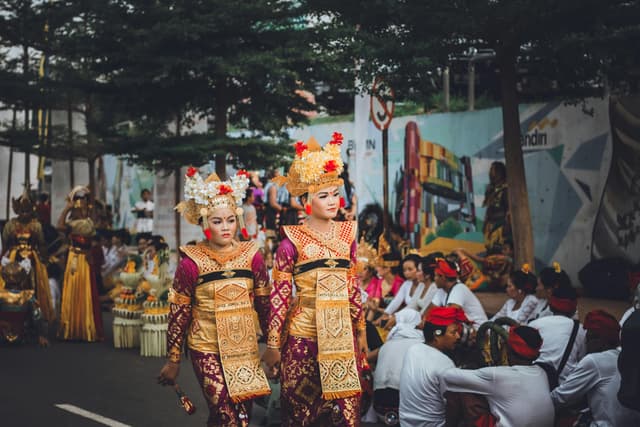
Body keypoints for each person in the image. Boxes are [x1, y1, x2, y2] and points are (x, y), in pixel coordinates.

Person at [262, 133, 367, 426]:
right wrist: (272, 344)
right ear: (306, 201)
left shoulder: (348, 236)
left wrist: (360, 331)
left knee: (347, 417)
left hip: (343, 336)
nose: (333, 201)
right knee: (300, 416)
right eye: (324, 195)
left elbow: (353, 287)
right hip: (303, 338)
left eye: (335, 193)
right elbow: (279, 296)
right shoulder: (291, 242)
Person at [158, 169, 271, 426]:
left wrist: (274, 347)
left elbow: (265, 305)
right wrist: (173, 359)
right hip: (206, 347)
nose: (226, 228)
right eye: (217, 221)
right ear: (203, 222)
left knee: (243, 419)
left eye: (231, 220)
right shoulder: (191, 262)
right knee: (226, 416)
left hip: (244, 348)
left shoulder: (252, 256)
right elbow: (179, 313)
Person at [444, 325, 554, 427]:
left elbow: (448, 376)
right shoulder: (542, 372)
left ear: (508, 349)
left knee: (462, 389)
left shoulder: (499, 375)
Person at [551, 310, 640, 426]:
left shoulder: (594, 361)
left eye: (588, 338)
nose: (586, 343)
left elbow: (560, 397)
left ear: (598, 339)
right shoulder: (628, 358)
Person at [398, 307, 466, 427]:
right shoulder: (446, 363)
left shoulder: (413, 350)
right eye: (453, 332)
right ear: (437, 335)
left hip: (405, 423)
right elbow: (453, 405)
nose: (458, 337)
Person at [0, 188, 55, 324]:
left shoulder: (36, 225)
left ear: (32, 211)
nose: (24, 214)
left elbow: (41, 244)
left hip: (32, 258)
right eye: (22, 211)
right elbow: (6, 244)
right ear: (17, 210)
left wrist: (44, 260)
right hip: (14, 258)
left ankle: (33, 316)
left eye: (27, 211)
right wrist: (2, 259)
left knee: (33, 285)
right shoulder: (10, 224)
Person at [56, 186, 104, 342]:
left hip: (86, 259)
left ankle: (86, 326)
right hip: (74, 258)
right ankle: (71, 327)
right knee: (72, 290)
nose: (82, 207)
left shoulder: (89, 222)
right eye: (79, 205)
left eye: (83, 204)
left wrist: (91, 199)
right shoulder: (72, 223)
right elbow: (60, 226)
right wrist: (66, 209)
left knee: (86, 292)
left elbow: (95, 224)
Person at [373, 309, 424, 424]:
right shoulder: (421, 343)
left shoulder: (388, 344)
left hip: (379, 408)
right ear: (416, 323)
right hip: (405, 411)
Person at [528, 285, 586, 385]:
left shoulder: (534, 324)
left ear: (550, 306)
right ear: (574, 309)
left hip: (532, 382)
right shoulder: (580, 330)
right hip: (563, 387)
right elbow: (582, 359)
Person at [431, 258, 488, 329]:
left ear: (443, 277)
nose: (434, 278)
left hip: (479, 332)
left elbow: (449, 317)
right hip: (464, 330)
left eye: (435, 275)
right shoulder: (442, 289)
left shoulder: (459, 289)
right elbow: (430, 312)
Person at [482, 161, 510, 251]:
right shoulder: (491, 189)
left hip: (500, 225)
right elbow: (489, 207)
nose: (490, 172)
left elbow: (508, 209)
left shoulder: (506, 189)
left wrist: (506, 225)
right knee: (490, 249)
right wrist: (486, 222)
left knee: (498, 250)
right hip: (490, 224)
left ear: (499, 172)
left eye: (492, 169)